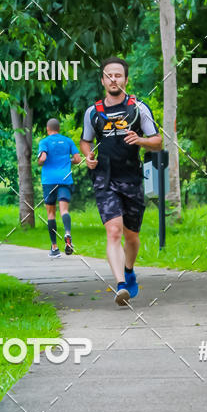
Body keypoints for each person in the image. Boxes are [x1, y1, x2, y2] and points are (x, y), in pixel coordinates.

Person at [80, 57, 162, 305]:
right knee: (113, 231)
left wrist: (140, 141)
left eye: (118, 75)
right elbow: (86, 140)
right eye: (109, 75)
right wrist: (88, 156)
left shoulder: (138, 108)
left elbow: (157, 141)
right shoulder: (93, 112)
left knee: (132, 236)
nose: (113, 79)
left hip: (132, 178)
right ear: (102, 79)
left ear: (125, 80)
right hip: (105, 179)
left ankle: (128, 269)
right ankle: (121, 285)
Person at [37, 118, 81, 258]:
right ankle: (67, 232)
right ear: (59, 128)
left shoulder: (44, 142)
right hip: (65, 179)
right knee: (64, 210)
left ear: (47, 128)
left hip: (49, 181)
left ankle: (55, 247)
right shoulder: (68, 141)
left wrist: (40, 161)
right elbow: (78, 159)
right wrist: (68, 160)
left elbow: (43, 158)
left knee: (51, 214)